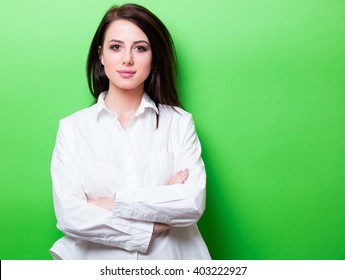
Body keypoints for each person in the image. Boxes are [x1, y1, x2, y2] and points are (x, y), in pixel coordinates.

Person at [50, 3, 211, 260]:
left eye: (140, 48)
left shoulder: (179, 123)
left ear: (153, 57)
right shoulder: (73, 129)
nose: (127, 59)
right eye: (116, 47)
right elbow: (70, 215)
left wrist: (111, 203)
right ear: (101, 55)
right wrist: (156, 221)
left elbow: (191, 203)